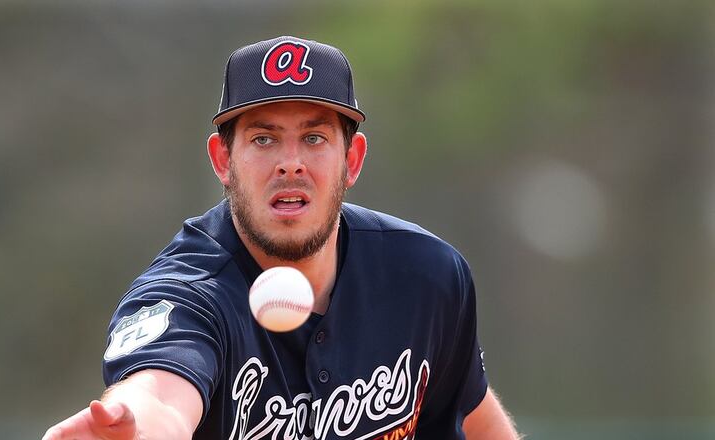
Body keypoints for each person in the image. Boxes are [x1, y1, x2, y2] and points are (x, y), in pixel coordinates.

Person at [43, 36, 521, 440]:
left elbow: (475, 415)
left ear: (352, 161)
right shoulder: (190, 294)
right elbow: (158, 395)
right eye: (263, 139)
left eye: (314, 138)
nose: (290, 163)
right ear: (222, 161)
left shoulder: (426, 276)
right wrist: (142, 427)